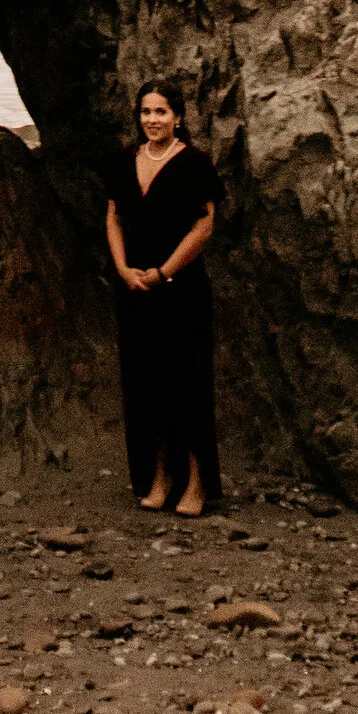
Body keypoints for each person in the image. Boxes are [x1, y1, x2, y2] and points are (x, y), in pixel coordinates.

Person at [105, 79, 222, 516]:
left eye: (161, 112)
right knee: (144, 385)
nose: (152, 120)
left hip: (180, 288)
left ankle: (195, 483)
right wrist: (122, 269)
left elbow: (204, 226)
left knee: (185, 384)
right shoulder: (124, 160)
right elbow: (113, 217)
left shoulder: (194, 163)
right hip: (133, 287)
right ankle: (159, 477)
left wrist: (163, 272)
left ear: (179, 117)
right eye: (146, 112)